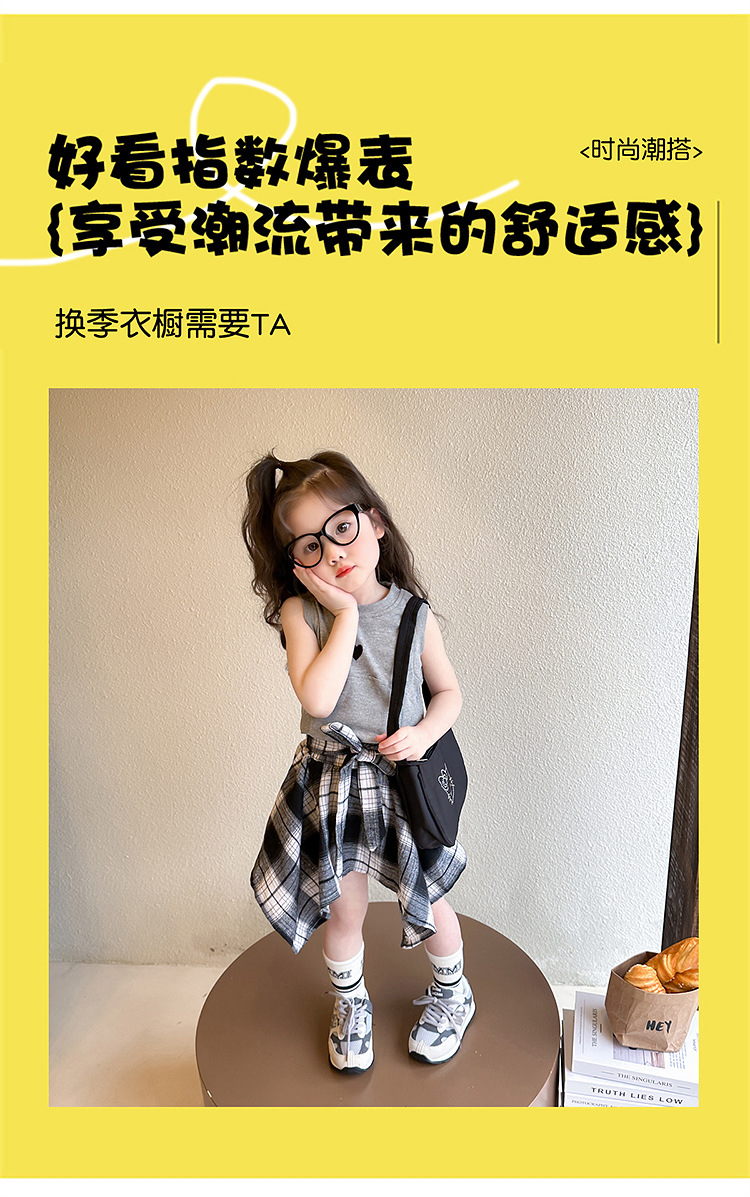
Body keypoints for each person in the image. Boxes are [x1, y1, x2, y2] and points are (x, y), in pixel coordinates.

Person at [242, 449, 473, 1072]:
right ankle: (351, 1003)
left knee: (429, 900)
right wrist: (344, 614)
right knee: (344, 907)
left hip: (400, 778)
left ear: (375, 523)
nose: (333, 553)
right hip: (333, 780)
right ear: (295, 562)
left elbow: (449, 693)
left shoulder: (414, 615)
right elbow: (317, 698)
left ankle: (454, 993)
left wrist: (424, 733)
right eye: (310, 546)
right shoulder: (302, 613)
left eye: (342, 528)